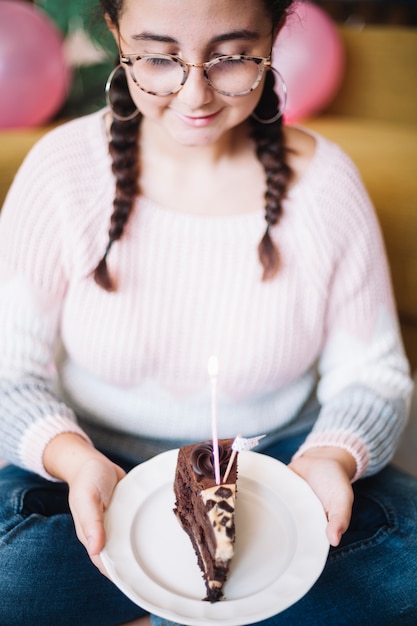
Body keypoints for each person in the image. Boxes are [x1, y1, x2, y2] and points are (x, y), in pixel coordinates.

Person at [0, 0, 416, 624]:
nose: (195, 94)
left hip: (281, 462)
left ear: (275, 35)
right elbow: (11, 371)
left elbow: (374, 375)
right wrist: (73, 458)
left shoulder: (326, 185)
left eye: (230, 57)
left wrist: (330, 458)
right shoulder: (63, 171)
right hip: (88, 462)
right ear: (115, 35)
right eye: (160, 57)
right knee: (16, 576)